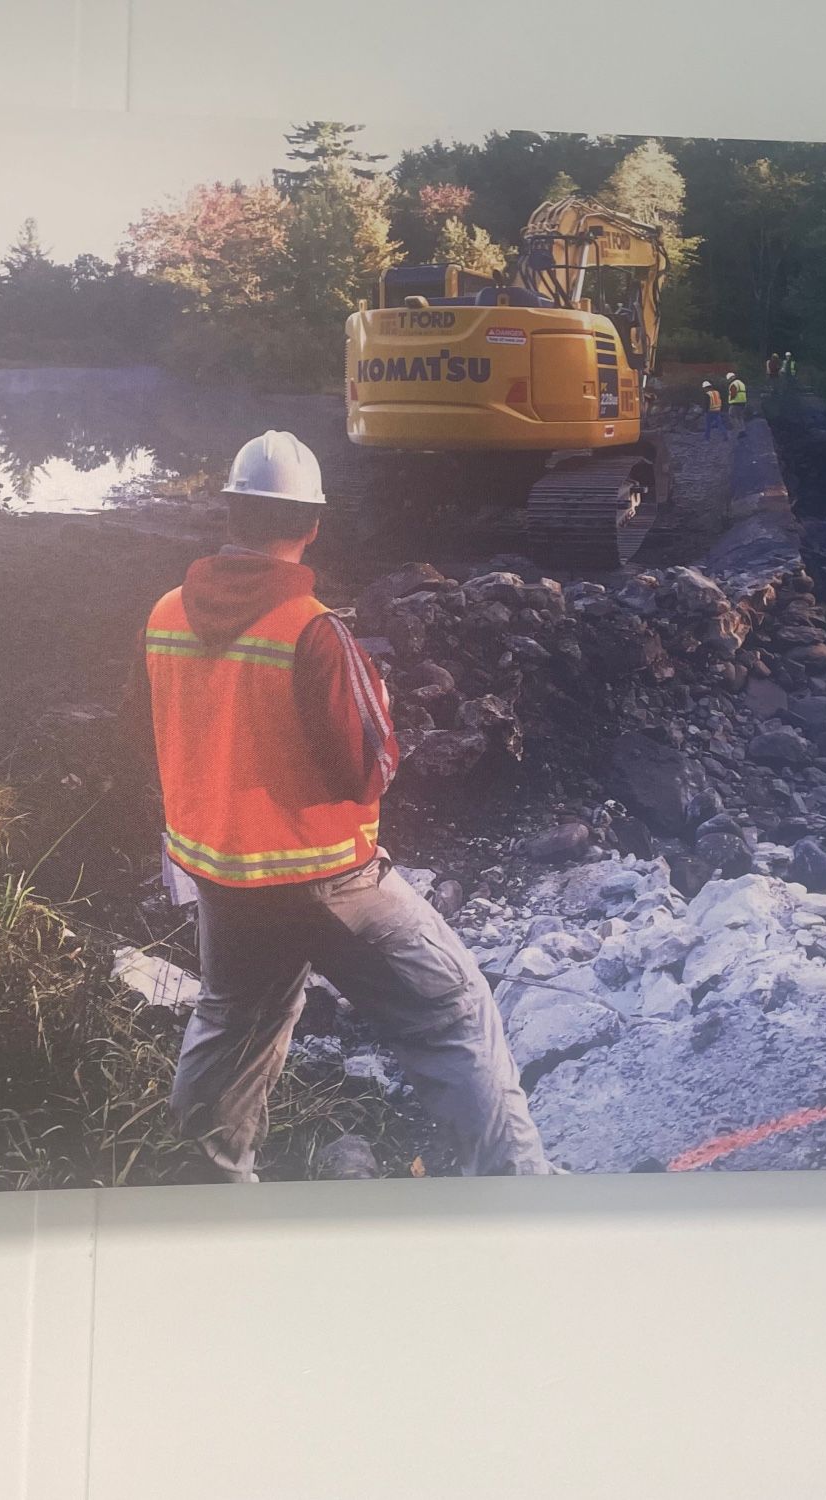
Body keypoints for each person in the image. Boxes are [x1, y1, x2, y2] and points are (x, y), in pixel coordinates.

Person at [140, 430, 552, 1181]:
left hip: (222, 878)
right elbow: (367, 770)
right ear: (313, 523)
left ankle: (206, 1194)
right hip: (326, 879)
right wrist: (381, 708)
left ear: (232, 511)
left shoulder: (166, 611)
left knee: (234, 1023)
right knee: (452, 1012)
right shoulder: (315, 630)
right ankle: (520, 1192)